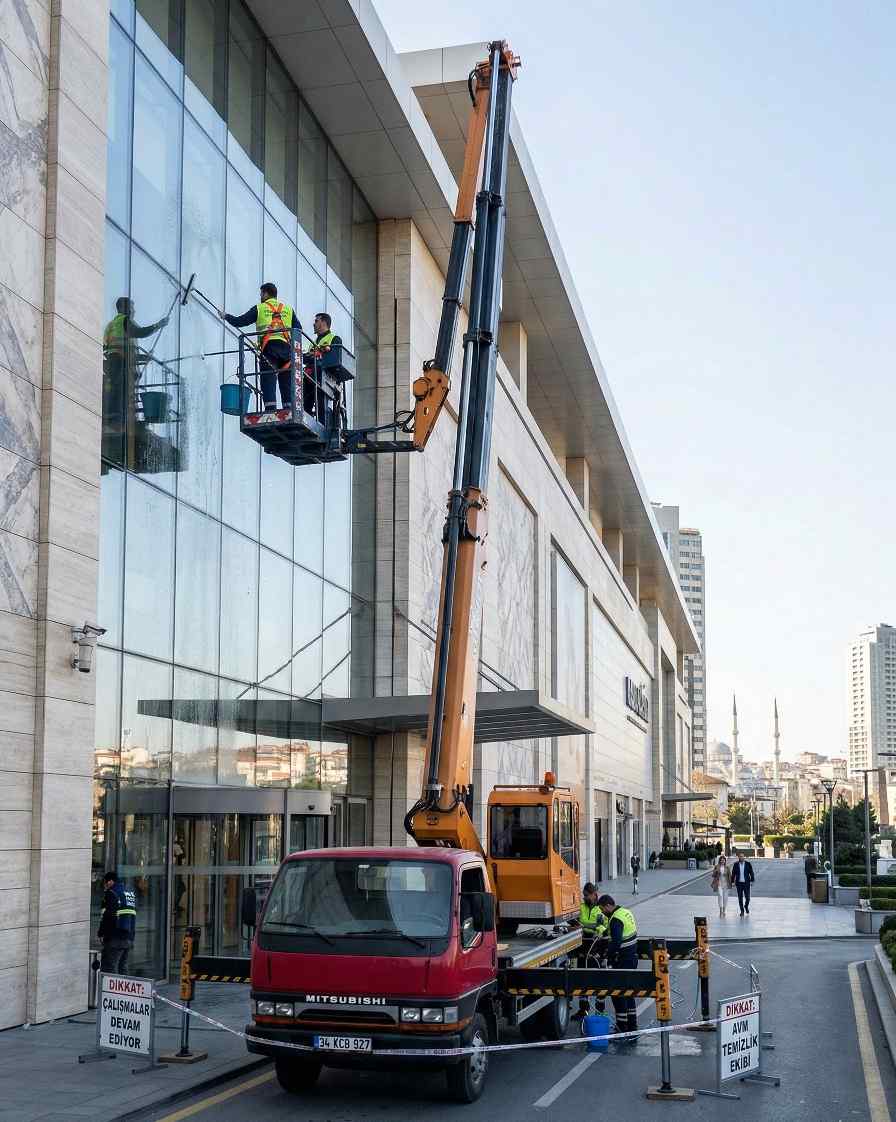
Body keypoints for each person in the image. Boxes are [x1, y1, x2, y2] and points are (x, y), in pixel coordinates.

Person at [224, 283, 296, 416]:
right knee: (286, 380)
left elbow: (241, 321)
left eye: (261, 294)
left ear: (266, 294)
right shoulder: (288, 310)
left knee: (268, 379)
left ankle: (270, 411)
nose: (260, 297)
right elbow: (298, 330)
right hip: (286, 351)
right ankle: (289, 410)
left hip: (270, 348)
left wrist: (227, 316)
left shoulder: (260, 308)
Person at [103, 297, 170, 434]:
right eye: (131, 307)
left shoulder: (112, 325)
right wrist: (159, 325)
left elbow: (118, 348)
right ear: (124, 308)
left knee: (118, 391)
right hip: (120, 362)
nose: (133, 311)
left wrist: (144, 358)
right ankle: (117, 421)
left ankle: (116, 419)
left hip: (113, 361)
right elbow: (140, 333)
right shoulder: (125, 321)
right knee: (122, 393)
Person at [598, 894, 638, 1035]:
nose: (602, 912)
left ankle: (621, 1026)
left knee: (618, 994)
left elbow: (616, 942)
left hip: (622, 960)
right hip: (632, 957)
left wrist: (607, 958)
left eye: (603, 909)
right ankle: (632, 1024)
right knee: (629, 993)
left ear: (608, 905)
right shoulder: (626, 912)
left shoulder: (615, 919)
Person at [572, 883, 608, 1021]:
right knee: (583, 980)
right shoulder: (581, 907)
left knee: (599, 980)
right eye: (584, 895)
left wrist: (593, 929)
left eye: (587, 895)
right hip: (583, 946)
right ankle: (583, 1010)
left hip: (597, 946)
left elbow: (603, 926)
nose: (585, 897)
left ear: (594, 894)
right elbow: (576, 922)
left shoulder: (601, 909)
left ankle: (600, 1011)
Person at [98, 871, 137, 974]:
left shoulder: (112, 893)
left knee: (109, 968)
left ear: (110, 881)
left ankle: (108, 990)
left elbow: (108, 915)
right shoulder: (129, 893)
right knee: (122, 967)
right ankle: (123, 990)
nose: (104, 886)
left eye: (105, 883)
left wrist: (101, 933)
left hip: (115, 937)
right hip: (128, 936)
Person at [730, 850, 755, 916]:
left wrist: (752, 880)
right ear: (738, 857)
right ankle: (742, 911)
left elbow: (751, 873)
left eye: (742, 856)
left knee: (748, 898)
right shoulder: (736, 864)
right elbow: (733, 874)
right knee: (740, 898)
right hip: (739, 884)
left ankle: (746, 906)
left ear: (744, 857)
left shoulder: (748, 864)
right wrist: (732, 882)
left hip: (746, 883)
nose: (741, 858)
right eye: (740, 856)